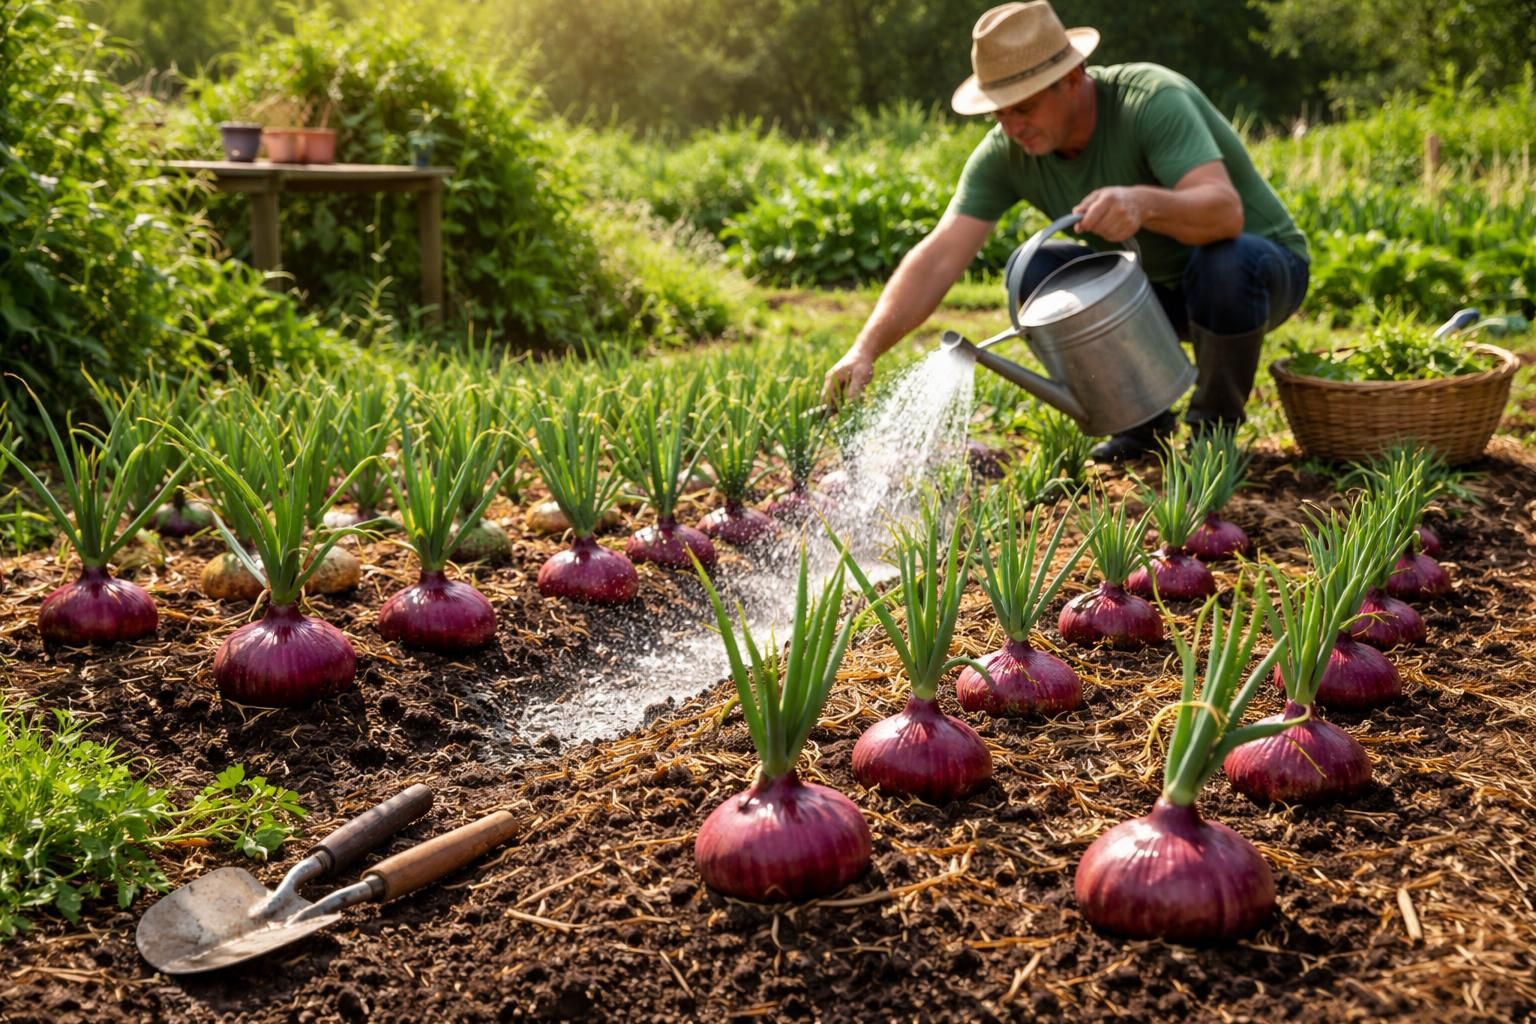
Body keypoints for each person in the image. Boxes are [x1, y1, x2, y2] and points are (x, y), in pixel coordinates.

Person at [822, 1, 1310, 461]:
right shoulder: (1006, 152)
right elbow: (940, 255)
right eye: (999, 113)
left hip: (1259, 276)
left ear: (1072, 78)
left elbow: (1225, 215)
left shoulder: (1151, 99)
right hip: (1147, 295)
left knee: (1223, 261)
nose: (1011, 126)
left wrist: (1142, 203)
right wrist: (864, 349)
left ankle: (1212, 434)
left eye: (1024, 108)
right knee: (1031, 268)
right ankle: (1141, 421)